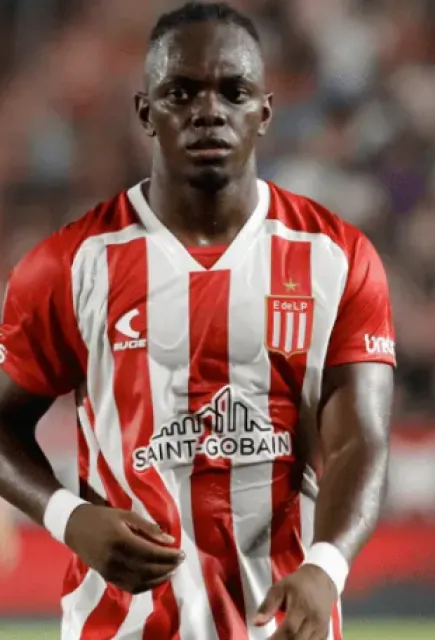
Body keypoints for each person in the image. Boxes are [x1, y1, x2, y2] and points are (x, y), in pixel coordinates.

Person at [0, 2, 395, 639]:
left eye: (234, 92)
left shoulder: (336, 258)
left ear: (265, 111)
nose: (208, 111)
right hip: (120, 627)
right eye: (180, 92)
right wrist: (67, 518)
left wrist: (326, 565)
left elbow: (361, 440)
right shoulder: (69, 266)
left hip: (280, 625)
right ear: (144, 113)